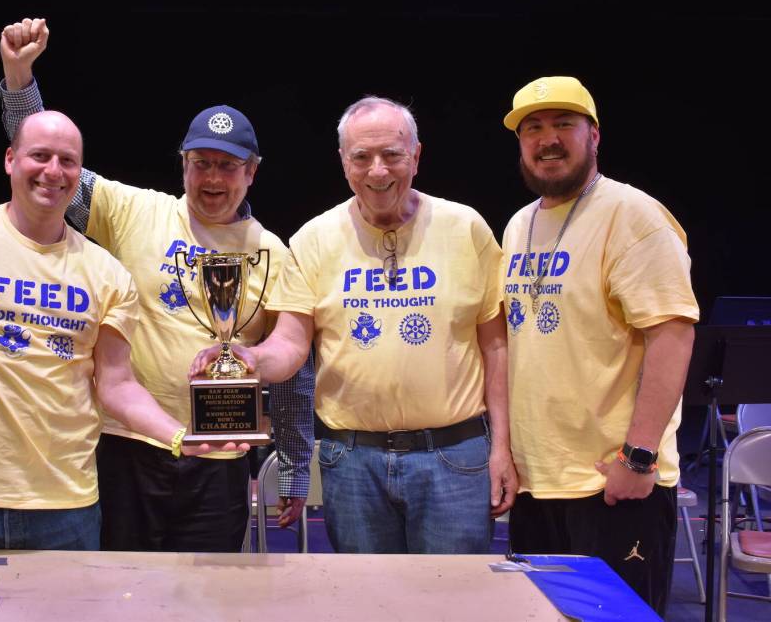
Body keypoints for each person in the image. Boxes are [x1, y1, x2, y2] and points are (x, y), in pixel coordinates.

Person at [0, 17, 314, 552]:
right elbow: (49, 167)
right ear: (184, 166)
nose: (213, 179)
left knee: (208, 601)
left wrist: (255, 360)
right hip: (127, 446)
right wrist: (18, 80)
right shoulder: (133, 210)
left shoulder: (272, 250)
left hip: (220, 456)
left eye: (228, 167)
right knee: (121, 595)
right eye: (201, 164)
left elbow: (293, 346)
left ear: (252, 173)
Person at [0, 111, 236, 549]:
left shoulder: (107, 274)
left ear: (80, 172)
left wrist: (178, 436)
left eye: (67, 160)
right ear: (10, 159)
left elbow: (116, 384)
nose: (53, 172)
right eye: (40, 156)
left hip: (66, 506)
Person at [193, 96, 518, 554]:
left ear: (417, 156)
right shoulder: (313, 239)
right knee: (366, 603)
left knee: (455, 603)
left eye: (392, 155)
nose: (378, 171)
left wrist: (502, 448)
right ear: (344, 162)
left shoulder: (466, 227)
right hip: (351, 459)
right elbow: (290, 344)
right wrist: (247, 359)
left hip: (454, 456)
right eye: (362, 157)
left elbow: (496, 347)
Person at [499, 75, 698, 616]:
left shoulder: (633, 216)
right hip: (540, 485)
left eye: (565, 124)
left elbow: (673, 334)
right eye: (533, 128)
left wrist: (638, 456)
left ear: (594, 136)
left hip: (612, 484)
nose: (548, 139)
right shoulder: (520, 225)